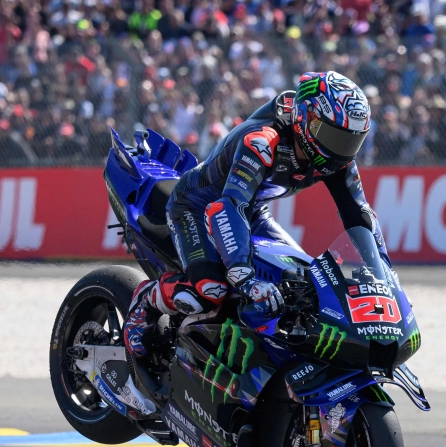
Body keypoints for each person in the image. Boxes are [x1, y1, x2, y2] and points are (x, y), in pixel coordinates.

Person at [121, 71, 387, 382]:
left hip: (252, 210)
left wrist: (382, 274)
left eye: (351, 140)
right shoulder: (263, 140)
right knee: (210, 290)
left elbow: (359, 216)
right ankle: (146, 302)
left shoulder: (338, 159)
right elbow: (228, 206)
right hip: (198, 205)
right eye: (334, 136)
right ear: (307, 119)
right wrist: (245, 277)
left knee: (303, 280)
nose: (341, 149)